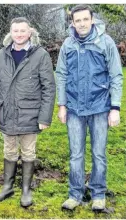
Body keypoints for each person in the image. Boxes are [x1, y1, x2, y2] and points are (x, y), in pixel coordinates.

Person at [56, 4, 123, 211]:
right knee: (75, 154)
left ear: (92, 19)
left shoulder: (106, 42)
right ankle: (75, 194)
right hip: (74, 109)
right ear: (72, 22)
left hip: (100, 108)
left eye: (85, 19)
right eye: (78, 20)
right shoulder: (68, 44)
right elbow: (61, 75)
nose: (82, 24)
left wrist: (115, 107)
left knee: (98, 153)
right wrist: (62, 105)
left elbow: (116, 76)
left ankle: (98, 194)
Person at [0, 17, 56, 207]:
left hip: (30, 114)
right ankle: (7, 186)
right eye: (15, 31)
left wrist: (44, 117)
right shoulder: (2, 54)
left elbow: (48, 88)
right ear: (11, 33)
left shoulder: (40, 55)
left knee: (28, 152)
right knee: (9, 150)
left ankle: (26, 190)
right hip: (7, 113)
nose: (19, 34)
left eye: (22, 31)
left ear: (30, 32)